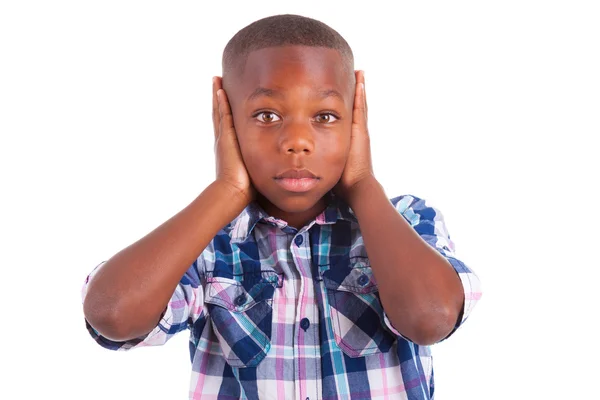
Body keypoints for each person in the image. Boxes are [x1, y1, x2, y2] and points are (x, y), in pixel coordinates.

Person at [81, 14, 482, 400]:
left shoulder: (407, 220)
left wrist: (363, 185)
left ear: (356, 121)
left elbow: (430, 317)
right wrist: (225, 190)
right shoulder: (208, 245)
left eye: (325, 116)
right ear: (227, 122)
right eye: (267, 115)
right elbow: (113, 314)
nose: (297, 141)